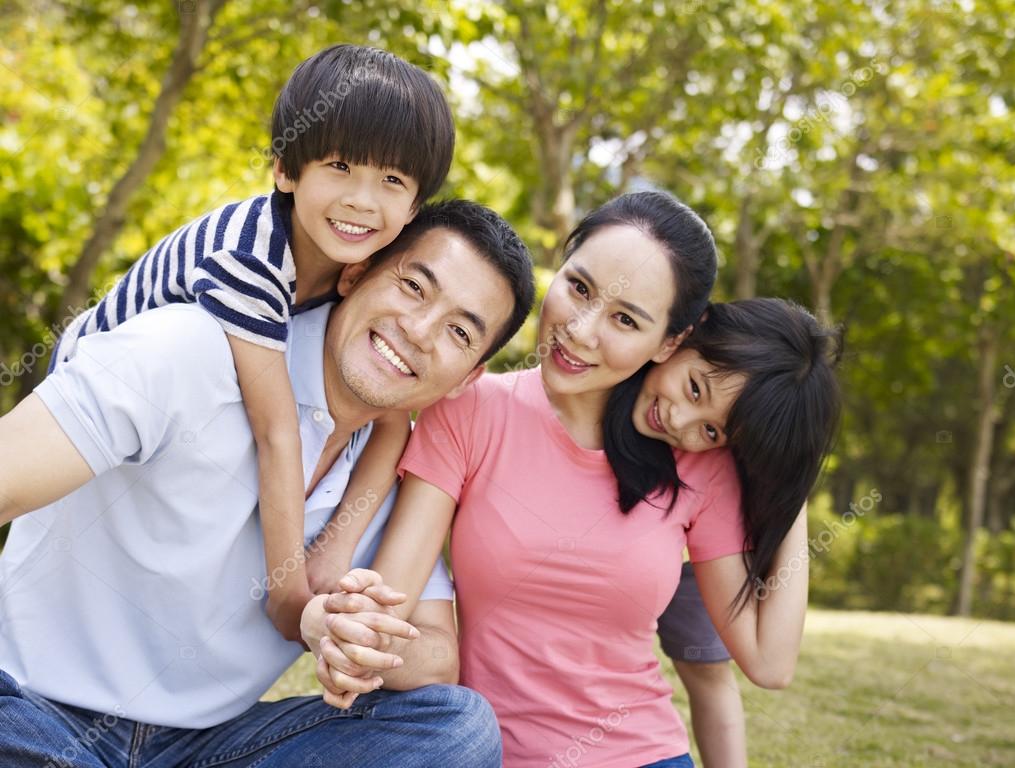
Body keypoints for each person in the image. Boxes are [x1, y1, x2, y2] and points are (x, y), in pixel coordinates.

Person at [306, 192, 841, 767]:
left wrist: (789, 481)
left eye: (626, 319)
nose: (581, 332)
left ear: (671, 341)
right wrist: (352, 637)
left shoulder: (700, 462)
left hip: (645, 754)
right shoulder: (469, 410)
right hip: (486, 752)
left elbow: (769, 662)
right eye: (579, 288)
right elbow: (392, 599)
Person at [0, 200, 536, 767]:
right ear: (355, 274)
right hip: (35, 713)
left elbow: (437, 656)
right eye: (413, 287)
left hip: (205, 750)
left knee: (460, 731)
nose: (420, 331)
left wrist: (356, 638)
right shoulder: (192, 350)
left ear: (469, 377)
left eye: (459, 331)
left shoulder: (386, 471)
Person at [46, 44, 456, 641]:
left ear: (415, 205)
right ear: (287, 169)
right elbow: (276, 431)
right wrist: (291, 598)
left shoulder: (349, 272)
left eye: (391, 180)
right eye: (340, 167)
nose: (362, 200)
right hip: (88, 418)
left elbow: (392, 420)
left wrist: (335, 550)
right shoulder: (252, 258)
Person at [624, 297, 843, 768]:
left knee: (706, 671)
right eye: (695, 389)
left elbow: (772, 665)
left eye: (711, 432)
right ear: (683, 336)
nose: (680, 422)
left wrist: (791, 491)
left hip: (688, 549)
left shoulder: (713, 475)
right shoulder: (616, 360)